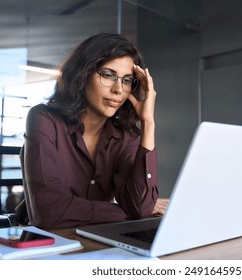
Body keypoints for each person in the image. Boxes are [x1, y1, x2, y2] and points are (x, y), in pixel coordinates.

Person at [16, 33, 168, 229]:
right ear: (83, 73)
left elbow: (140, 205)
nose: (118, 90)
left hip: (96, 239)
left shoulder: (125, 136)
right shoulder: (44, 119)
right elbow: (50, 212)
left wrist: (148, 122)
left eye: (127, 80)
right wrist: (126, 211)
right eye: (108, 75)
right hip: (48, 243)